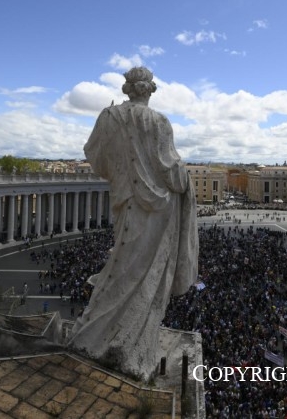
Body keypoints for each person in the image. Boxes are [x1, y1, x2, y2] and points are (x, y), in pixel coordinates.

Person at [67, 66, 198, 380]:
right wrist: (187, 180)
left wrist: (122, 168)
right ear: (150, 90)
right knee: (146, 276)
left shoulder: (108, 117)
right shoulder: (159, 122)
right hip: (159, 210)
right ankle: (129, 346)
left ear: (127, 89)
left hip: (126, 200)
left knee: (123, 265)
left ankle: (103, 337)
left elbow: (95, 157)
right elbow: (172, 172)